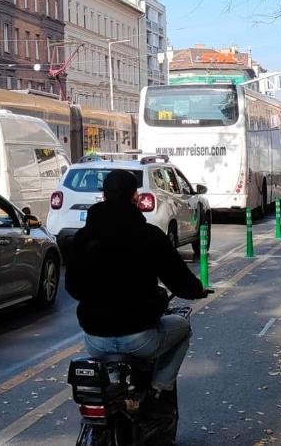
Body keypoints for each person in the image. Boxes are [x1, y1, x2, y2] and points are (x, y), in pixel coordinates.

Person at [65, 169, 208, 396]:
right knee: (182, 327)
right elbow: (178, 278)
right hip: (140, 338)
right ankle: (159, 386)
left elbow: (72, 286)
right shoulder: (148, 235)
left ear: (104, 196)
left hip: (95, 340)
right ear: (135, 198)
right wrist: (197, 291)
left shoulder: (83, 238)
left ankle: (113, 384)